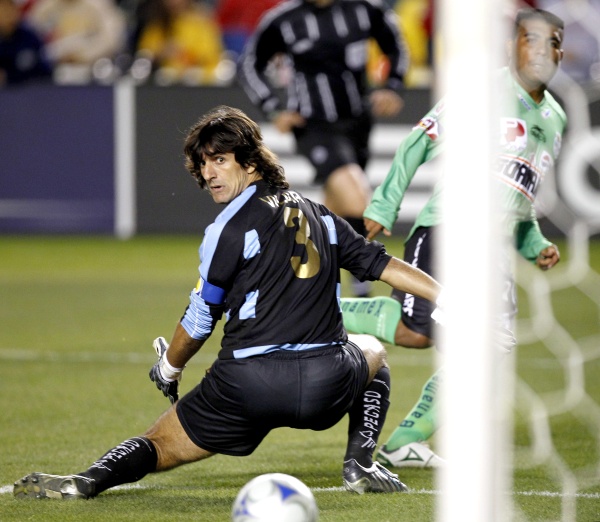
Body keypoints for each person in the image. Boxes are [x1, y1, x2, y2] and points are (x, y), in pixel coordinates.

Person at [13, 105, 444, 500]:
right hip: (325, 381)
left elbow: (201, 319)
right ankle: (360, 465)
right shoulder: (318, 212)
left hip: (246, 386)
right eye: (203, 163)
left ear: (251, 162)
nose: (210, 172)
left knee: (159, 443)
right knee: (372, 351)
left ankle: (89, 480)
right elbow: (382, 263)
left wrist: (170, 367)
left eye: (220, 159)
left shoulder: (228, 229)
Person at [340, 7, 566, 468]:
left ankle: (406, 440)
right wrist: (384, 204)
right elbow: (417, 141)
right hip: (450, 230)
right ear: (511, 46)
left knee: (489, 343)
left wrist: (535, 244)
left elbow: (520, 203)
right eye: (533, 40)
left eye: (554, 42)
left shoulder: (556, 119)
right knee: (418, 332)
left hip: (495, 252)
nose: (544, 50)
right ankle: (313, 308)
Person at [237, 0, 409, 297]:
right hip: (313, 126)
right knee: (357, 199)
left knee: (334, 210)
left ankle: (308, 282)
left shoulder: (364, 10)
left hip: (358, 124)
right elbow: (249, 65)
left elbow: (396, 45)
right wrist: (274, 107)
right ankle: (363, 289)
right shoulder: (283, 20)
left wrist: (392, 86)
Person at [135, 0, 224, 85]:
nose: (173, 2)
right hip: (163, 85)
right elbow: (144, 56)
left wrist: (183, 54)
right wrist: (161, 53)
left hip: (199, 84)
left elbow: (211, 57)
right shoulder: (156, 25)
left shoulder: (202, 23)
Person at [0, 0, 52, 86]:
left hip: (30, 90)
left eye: (10, 10)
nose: (7, 16)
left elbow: (44, 70)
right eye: (3, 12)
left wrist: (9, 76)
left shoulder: (30, 37)